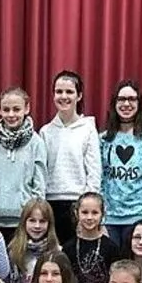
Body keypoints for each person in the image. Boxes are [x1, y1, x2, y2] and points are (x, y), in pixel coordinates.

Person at [100, 80, 142, 246]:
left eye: (132, 99)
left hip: (139, 217)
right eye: (121, 99)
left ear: (139, 103)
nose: (126, 104)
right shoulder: (104, 139)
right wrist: (100, 220)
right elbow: (99, 181)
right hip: (109, 219)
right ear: (114, 103)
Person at [39, 70, 100, 243]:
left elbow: (94, 172)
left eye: (69, 92)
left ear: (79, 96)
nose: (64, 96)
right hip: (51, 202)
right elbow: (41, 172)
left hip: (77, 203)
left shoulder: (88, 129)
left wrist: (87, 207)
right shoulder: (45, 132)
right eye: (59, 92)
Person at [0, 87, 47, 237]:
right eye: (6, 110)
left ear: (27, 109)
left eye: (16, 109)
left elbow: (39, 185)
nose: (11, 114)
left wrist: (34, 216)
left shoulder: (37, 143)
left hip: (25, 222)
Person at [61, 192, 120, 283]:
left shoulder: (111, 248)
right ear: (76, 213)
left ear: (102, 214)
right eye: (84, 212)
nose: (89, 217)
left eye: (95, 213)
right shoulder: (68, 248)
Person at [5, 198, 61, 283]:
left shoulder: (58, 252)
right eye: (32, 220)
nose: (37, 226)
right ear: (24, 222)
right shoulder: (12, 251)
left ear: (49, 224)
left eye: (42, 221)